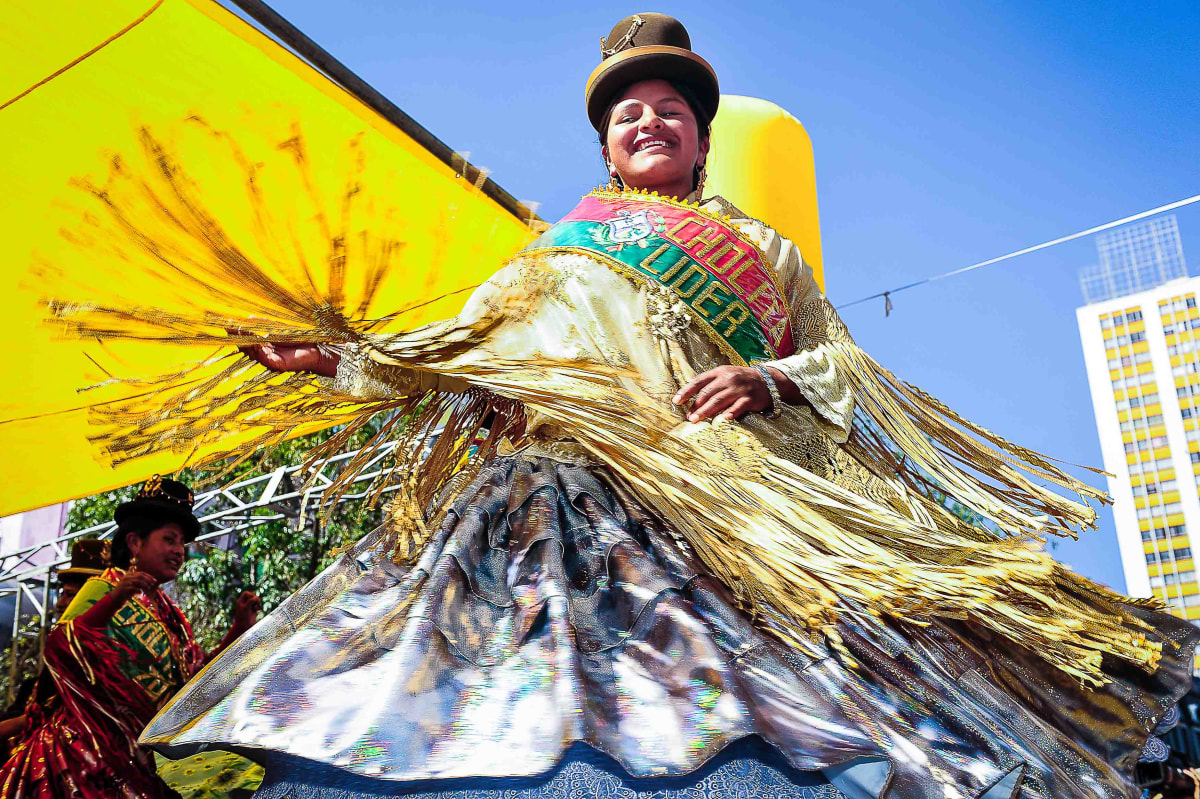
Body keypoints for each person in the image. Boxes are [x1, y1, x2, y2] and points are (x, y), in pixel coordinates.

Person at [48, 13, 1198, 799]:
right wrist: (337, 356)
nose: (645, 124)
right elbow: (465, 348)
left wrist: (767, 375)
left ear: (699, 141)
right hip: (561, 489)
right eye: (626, 115)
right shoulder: (560, 250)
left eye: (667, 113)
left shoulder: (767, 251)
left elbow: (845, 367)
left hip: (733, 502)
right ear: (606, 140)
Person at [0, 478, 263, 799]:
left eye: (182, 542)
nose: (179, 551)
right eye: (169, 539)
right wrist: (118, 597)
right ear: (136, 543)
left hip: (137, 759)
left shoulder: (172, 615)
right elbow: (61, 652)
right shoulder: (104, 588)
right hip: (81, 757)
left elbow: (191, 684)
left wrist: (240, 628)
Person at [0, 539, 108, 757]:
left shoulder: (99, 658)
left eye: (69, 595)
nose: (60, 604)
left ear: (91, 600)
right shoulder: (62, 649)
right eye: (62, 594)